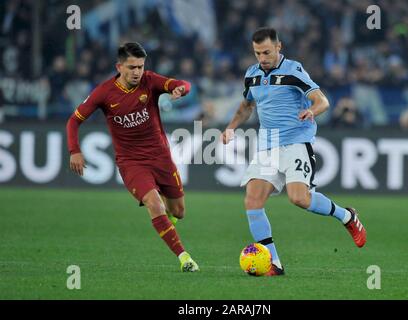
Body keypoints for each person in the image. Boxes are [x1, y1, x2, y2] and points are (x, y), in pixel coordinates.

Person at [221, 28, 366, 276]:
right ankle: (274, 263)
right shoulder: (252, 75)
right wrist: (231, 127)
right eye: (257, 53)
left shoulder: (293, 71)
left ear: (279, 47)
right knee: (252, 200)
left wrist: (312, 111)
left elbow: (322, 100)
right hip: (268, 143)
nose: (262, 58)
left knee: (299, 198)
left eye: (267, 52)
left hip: (296, 141)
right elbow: (246, 106)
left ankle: (346, 216)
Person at [66, 42, 199, 272]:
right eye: (131, 67)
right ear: (119, 66)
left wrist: (180, 89)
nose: (137, 72)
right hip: (132, 163)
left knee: (179, 212)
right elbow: (74, 120)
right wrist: (74, 150)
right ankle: (184, 258)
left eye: (140, 66)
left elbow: (182, 84)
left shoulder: (149, 80)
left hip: (161, 157)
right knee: (154, 203)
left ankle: (168, 219)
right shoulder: (104, 92)